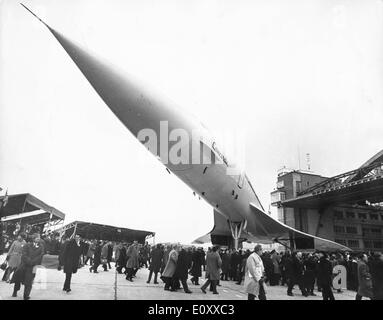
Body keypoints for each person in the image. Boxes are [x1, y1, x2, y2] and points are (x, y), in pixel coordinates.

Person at [11, 233, 44, 300]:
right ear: (33, 239)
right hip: (24, 265)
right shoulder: (27, 245)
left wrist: (33, 262)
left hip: (32, 267)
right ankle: (15, 291)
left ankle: (26, 296)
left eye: (39, 238)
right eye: (37, 238)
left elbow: (40, 256)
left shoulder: (41, 247)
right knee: (18, 279)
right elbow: (24, 254)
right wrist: (29, 261)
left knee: (29, 282)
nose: (38, 239)